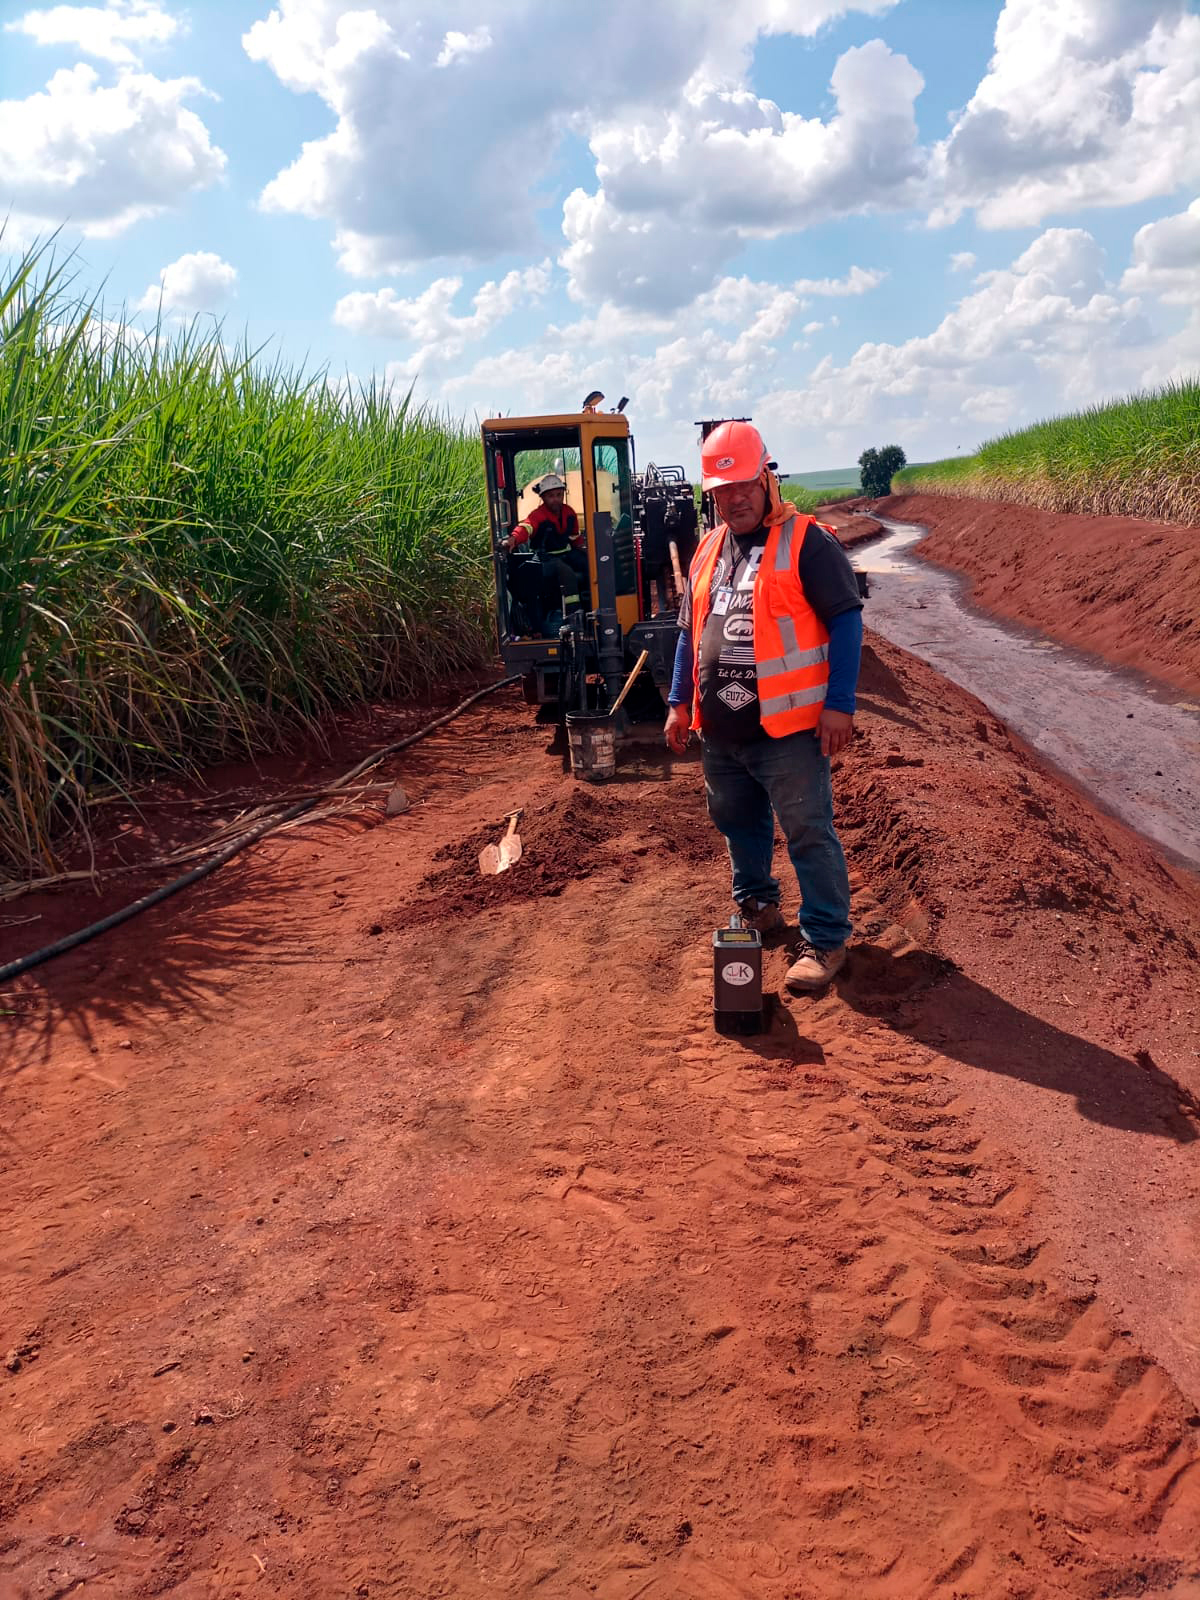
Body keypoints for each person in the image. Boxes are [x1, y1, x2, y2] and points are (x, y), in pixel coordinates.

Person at [663, 420, 863, 992]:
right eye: (722, 492)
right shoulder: (707, 549)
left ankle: (825, 939)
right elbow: (689, 631)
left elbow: (847, 621)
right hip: (722, 731)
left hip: (789, 729)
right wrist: (679, 701)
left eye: (745, 485)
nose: (735, 499)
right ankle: (758, 906)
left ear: (767, 478)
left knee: (807, 829)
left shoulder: (807, 542)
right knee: (737, 823)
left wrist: (840, 704)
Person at [502, 473, 589, 628]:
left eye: (559, 495)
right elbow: (526, 527)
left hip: (566, 553)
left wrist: (585, 551)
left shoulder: (569, 513)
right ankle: (573, 617)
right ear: (543, 497)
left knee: (589, 564)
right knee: (566, 572)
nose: (556, 499)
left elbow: (575, 538)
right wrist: (514, 538)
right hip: (544, 559)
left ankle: (591, 608)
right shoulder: (538, 515)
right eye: (551, 496)